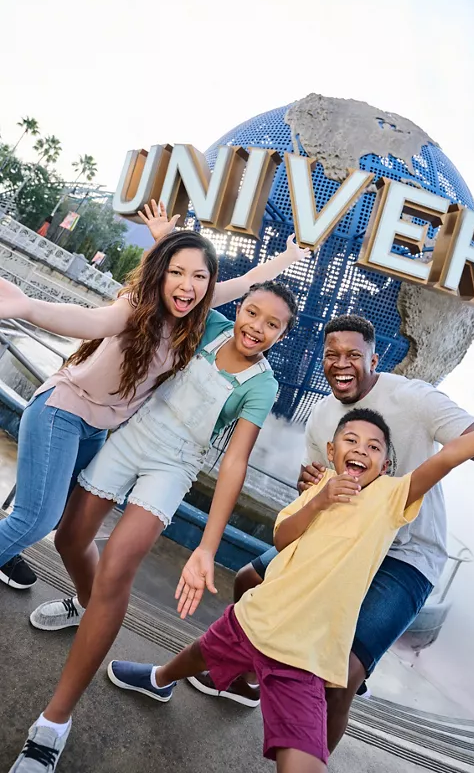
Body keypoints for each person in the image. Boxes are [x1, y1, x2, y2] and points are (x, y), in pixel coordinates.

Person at [102, 388, 474, 773]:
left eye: (374, 448)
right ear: (332, 451)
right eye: (352, 441)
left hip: (308, 655)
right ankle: (160, 677)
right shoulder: (316, 493)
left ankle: (184, 681)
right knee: (207, 647)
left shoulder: (391, 499)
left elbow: (451, 455)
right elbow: (284, 536)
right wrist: (317, 500)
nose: (361, 451)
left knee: (303, 757)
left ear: (386, 465)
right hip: (257, 620)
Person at [192, 314, 474, 748]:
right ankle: (250, 680)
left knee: (339, 679)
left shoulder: (415, 399)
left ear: (376, 358)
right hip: (342, 539)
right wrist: (312, 482)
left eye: (354, 355)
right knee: (248, 580)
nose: (342, 364)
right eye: (332, 355)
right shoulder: (322, 416)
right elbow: (319, 475)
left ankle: (318, 744)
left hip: (404, 556)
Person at [8, 278, 300, 772]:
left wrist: (207, 546)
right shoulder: (210, 324)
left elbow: (234, 464)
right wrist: (169, 240)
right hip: (133, 435)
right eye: (253, 313)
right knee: (69, 537)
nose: (257, 328)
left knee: (118, 567)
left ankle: (53, 725)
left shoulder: (263, 384)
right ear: (242, 309)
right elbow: (187, 281)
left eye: (273, 325)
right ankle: (84, 601)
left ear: (283, 334)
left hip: (176, 465)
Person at [0, 200, 308, 589]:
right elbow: (91, 321)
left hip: (97, 427)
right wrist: (27, 307)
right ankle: (9, 548)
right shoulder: (136, 307)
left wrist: (291, 255)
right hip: (64, 411)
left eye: (198, 276)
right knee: (37, 518)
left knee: (56, 511)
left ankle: (7, 552)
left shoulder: (198, 313)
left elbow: (249, 283)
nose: (188, 284)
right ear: (160, 273)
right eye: (176, 272)